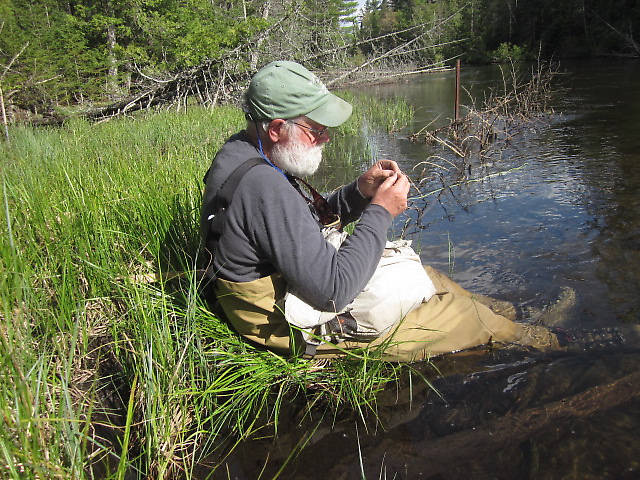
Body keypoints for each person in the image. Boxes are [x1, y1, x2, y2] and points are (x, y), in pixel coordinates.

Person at [200, 60, 558, 361]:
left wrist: (360, 193)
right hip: (287, 325)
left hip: (298, 284)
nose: (327, 137)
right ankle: (552, 343)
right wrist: (380, 212)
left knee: (431, 277)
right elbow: (332, 292)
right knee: (467, 318)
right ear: (278, 128)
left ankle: (511, 313)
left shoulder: (245, 151)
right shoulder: (263, 187)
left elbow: (296, 223)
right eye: (317, 130)